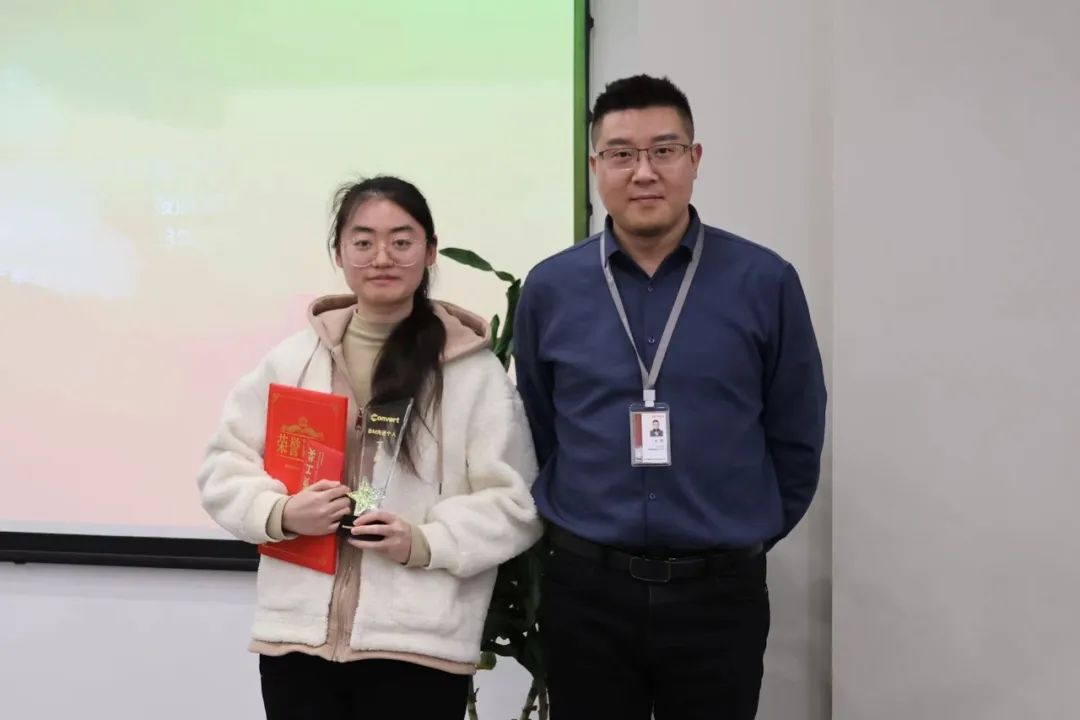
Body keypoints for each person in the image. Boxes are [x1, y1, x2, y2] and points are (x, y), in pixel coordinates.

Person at [514, 75, 827, 720]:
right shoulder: (550, 288)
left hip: (720, 596)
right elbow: (540, 428)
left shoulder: (764, 281)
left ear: (695, 159)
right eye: (621, 154)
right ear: (596, 167)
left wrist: (736, 537)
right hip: (587, 591)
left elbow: (796, 435)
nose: (644, 172)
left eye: (664, 150)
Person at [198, 176, 542, 720]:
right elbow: (223, 466)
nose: (382, 257)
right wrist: (281, 512)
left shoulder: (473, 374)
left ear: (430, 251)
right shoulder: (292, 361)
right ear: (339, 253)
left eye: (401, 241)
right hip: (297, 643)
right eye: (363, 241)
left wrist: (424, 541)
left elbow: (515, 502)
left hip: (419, 648)